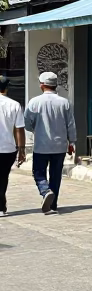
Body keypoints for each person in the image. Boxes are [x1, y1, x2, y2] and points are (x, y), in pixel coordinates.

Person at [24, 71, 76, 214]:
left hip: (41, 145)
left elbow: (27, 123)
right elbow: (70, 124)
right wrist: (72, 142)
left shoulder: (34, 102)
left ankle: (45, 190)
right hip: (59, 146)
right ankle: (53, 204)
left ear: (42, 85)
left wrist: (34, 128)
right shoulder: (65, 103)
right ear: (55, 85)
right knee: (56, 174)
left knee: (38, 172)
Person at [0, 74, 26, 216]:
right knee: (3, 177)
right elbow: (19, 129)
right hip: (8, 149)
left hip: (7, 149)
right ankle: (1, 206)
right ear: (7, 88)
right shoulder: (15, 105)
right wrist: (22, 149)